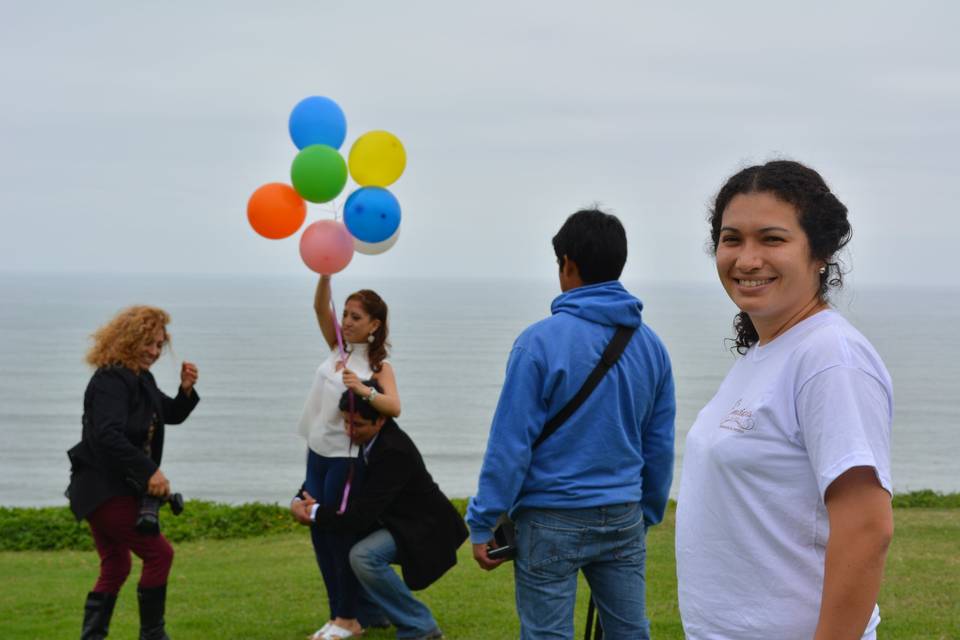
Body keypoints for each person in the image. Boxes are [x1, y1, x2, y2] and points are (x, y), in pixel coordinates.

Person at [675, 160, 894, 639]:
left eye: (771, 239)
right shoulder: (769, 351)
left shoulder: (830, 357)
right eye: (732, 239)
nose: (747, 258)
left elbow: (866, 529)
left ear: (819, 252)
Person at [466, 209, 676, 639]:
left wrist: (482, 520)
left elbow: (510, 445)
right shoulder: (651, 346)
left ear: (568, 263)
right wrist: (647, 512)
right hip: (623, 515)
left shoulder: (538, 342)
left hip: (550, 518)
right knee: (630, 632)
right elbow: (658, 443)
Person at [292, 384, 467, 640]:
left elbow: (360, 515)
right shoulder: (359, 440)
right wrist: (300, 498)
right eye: (346, 423)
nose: (350, 431)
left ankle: (420, 625)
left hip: (424, 527)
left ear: (381, 420)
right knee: (342, 543)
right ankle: (371, 614)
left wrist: (315, 512)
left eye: (359, 424)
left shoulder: (393, 451)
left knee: (364, 556)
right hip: (392, 521)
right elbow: (331, 471)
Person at [66, 305, 199, 640]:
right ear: (128, 340)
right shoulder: (111, 380)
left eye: (159, 345)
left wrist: (185, 391)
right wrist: (150, 471)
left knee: (116, 565)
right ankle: (152, 635)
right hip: (103, 488)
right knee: (160, 554)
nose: (155, 352)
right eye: (149, 344)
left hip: (110, 488)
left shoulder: (140, 378)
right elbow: (106, 435)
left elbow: (168, 414)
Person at [295, 275, 401, 640]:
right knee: (318, 534)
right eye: (346, 314)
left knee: (339, 537)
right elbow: (318, 306)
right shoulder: (336, 349)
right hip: (318, 453)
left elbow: (394, 406)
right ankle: (343, 613)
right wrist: (325, 272)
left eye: (356, 317)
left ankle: (348, 618)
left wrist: (363, 390)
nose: (347, 321)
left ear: (374, 325)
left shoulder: (378, 367)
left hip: (347, 459)